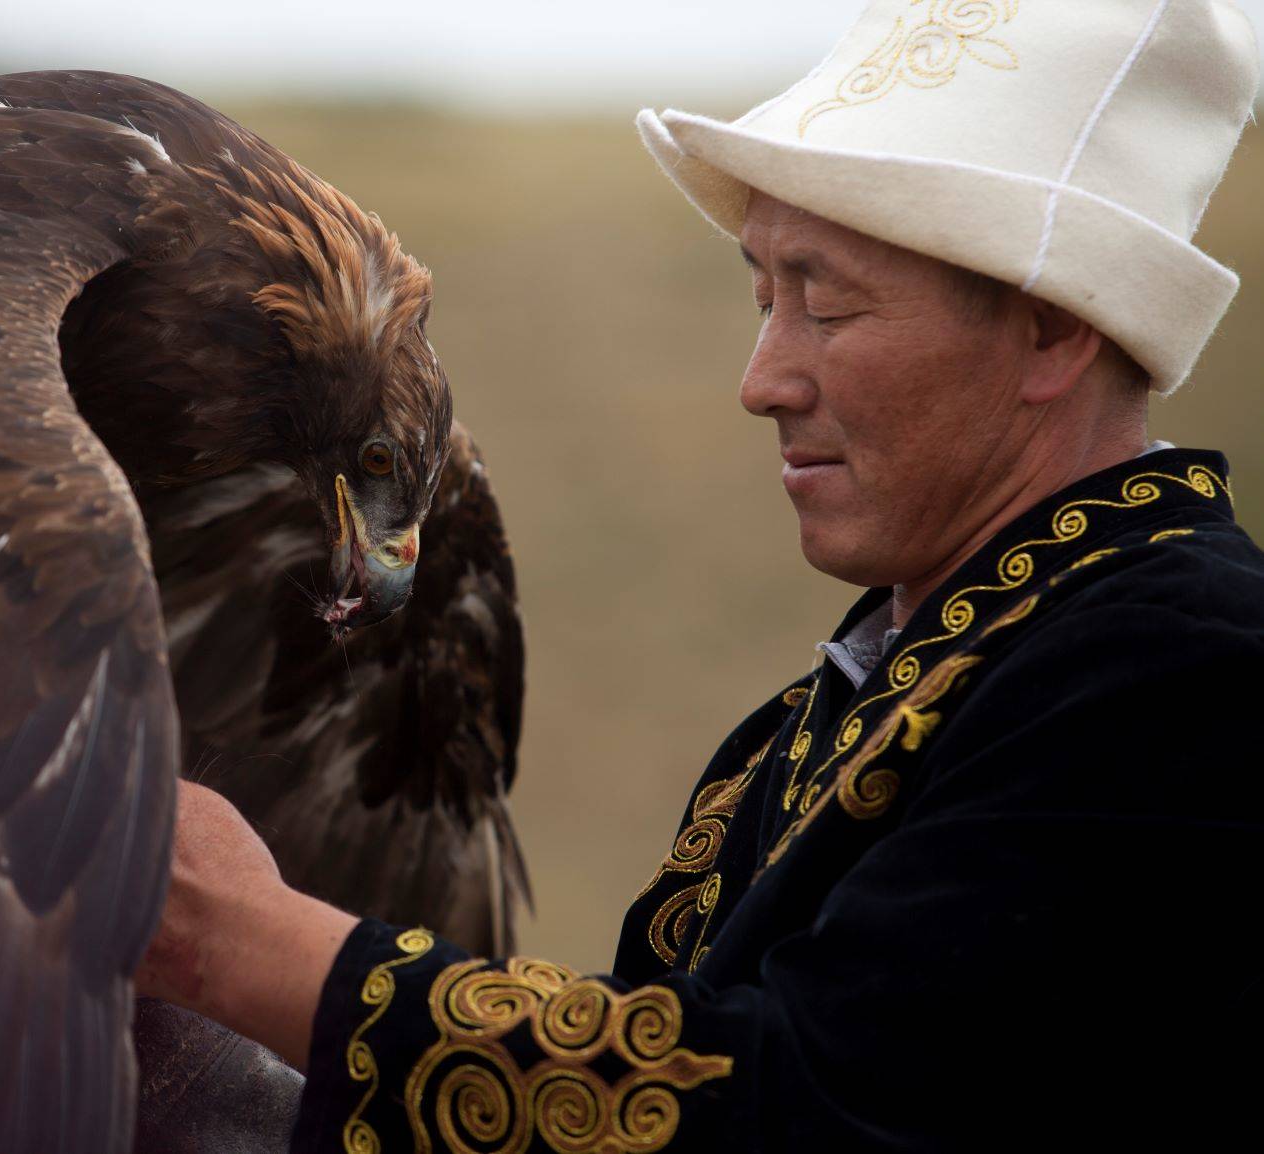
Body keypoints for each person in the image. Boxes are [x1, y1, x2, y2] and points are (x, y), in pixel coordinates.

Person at [135, 1, 1264, 1148]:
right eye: (763, 297)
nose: (761, 376)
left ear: (1051, 330)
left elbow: (808, 1111)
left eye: (827, 303)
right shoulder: (869, 692)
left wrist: (257, 948)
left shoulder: (1191, 662)